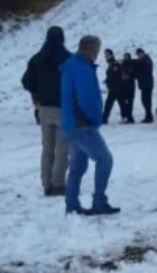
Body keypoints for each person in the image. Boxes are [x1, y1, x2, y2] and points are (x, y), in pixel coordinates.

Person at [61, 35, 119, 216]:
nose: (97, 55)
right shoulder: (83, 69)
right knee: (104, 159)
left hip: (70, 123)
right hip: (83, 125)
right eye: (97, 50)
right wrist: (96, 118)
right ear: (91, 50)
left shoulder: (70, 65)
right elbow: (86, 99)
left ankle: (71, 205)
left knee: (77, 167)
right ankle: (99, 201)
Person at [21, 26, 70, 196]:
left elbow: (26, 82)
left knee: (47, 148)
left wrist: (38, 93)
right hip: (64, 108)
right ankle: (58, 184)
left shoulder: (37, 59)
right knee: (63, 148)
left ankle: (46, 184)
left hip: (44, 108)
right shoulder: (68, 59)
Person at [102, 49, 123, 125]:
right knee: (112, 103)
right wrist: (107, 80)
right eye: (105, 55)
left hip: (116, 87)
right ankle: (104, 118)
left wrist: (109, 80)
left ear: (111, 55)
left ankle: (104, 119)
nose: (106, 57)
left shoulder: (114, 63)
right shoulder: (111, 64)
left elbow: (116, 75)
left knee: (116, 103)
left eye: (107, 55)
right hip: (113, 87)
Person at [135, 48, 154, 123]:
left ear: (142, 53)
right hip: (144, 84)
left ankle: (149, 116)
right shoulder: (144, 60)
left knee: (146, 101)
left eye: (139, 55)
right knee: (145, 100)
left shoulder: (147, 61)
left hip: (147, 84)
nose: (138, 56)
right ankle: (148, 115)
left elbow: (144, 71)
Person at [120, 53, 137, 123]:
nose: (125, 58)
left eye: (126, 57)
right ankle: (126, 116)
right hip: (124, 86)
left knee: (129, 102)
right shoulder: (123, 65)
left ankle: (129, 117)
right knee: (124, 102)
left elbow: (134, 74)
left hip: (129, 86)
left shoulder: (132, 65)